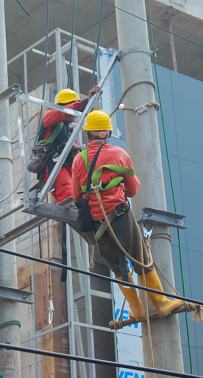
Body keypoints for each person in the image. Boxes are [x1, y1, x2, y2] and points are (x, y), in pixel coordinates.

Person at [72, 111, 183, 320]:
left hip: (97, 223)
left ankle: (137, 309)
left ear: (88, 134)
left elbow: (76, 195)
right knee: (140, 256)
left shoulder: (79, 160)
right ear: (107, 133)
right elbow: (132, 190)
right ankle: (161, 303)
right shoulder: (119, 154)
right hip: (120, 214)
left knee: (117, 266)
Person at [36, 85, 102, 203]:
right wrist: (85, 102)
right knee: (68, 197)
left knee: (83, 196)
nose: (75, 113)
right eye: (72, 107)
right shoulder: (50, 116)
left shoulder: (69, 130)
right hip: (54, 165)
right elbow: (64, 112)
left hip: (67, 165)